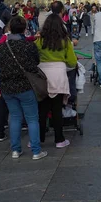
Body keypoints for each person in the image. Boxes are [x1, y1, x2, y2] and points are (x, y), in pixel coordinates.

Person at [0, 16, 47, 159]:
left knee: (15, 117)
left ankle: (15, 150)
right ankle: (36, 151)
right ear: (25, 29)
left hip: (7, 87)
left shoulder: (2, 47)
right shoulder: (28, 46)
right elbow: (36, 62)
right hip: (25, 85)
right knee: (32, 118)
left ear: (9, 28)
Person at [36, 13, 76, 148]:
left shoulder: (39, 40)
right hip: (58, 74)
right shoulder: (65, 41)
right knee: (57, 110)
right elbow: (72, 61)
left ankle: (39, 138)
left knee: (42, 110)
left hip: (42, 75)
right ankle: (59, 139)